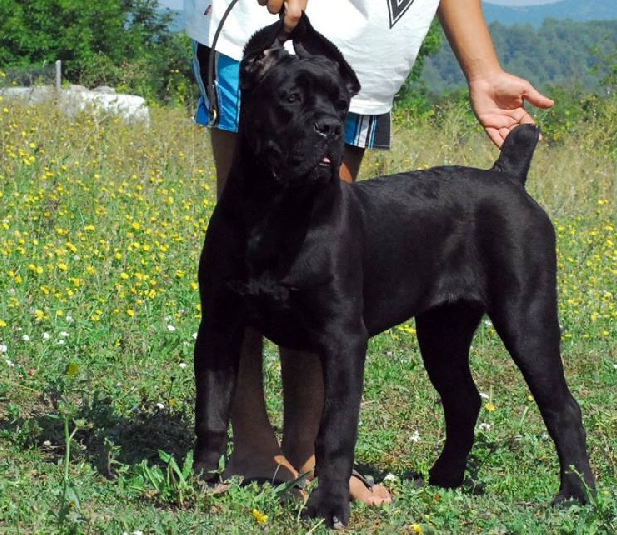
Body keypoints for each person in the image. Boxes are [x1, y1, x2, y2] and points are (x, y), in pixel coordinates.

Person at [184, 0, 554, 506]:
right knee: (244, 249)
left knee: (321, 271)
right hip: (254, 29)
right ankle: (248, 448)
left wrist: (483, 69)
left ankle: (313, 455)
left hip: (367, 58)